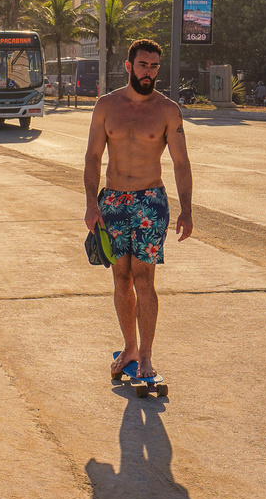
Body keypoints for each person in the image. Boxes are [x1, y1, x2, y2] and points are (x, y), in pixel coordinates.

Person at [83, 39, 193, 384]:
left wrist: (186, 209)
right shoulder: (106, 105)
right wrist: (90, 203)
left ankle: (145, 353)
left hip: (150, 202)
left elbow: (181, 163)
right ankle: (129, 347)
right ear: (129, 66)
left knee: (144, 278)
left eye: (155, 66)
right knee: (120, 277)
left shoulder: (167, 110)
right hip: (113, 200)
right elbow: (92, 157)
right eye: (143, 65)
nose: (149, 72)